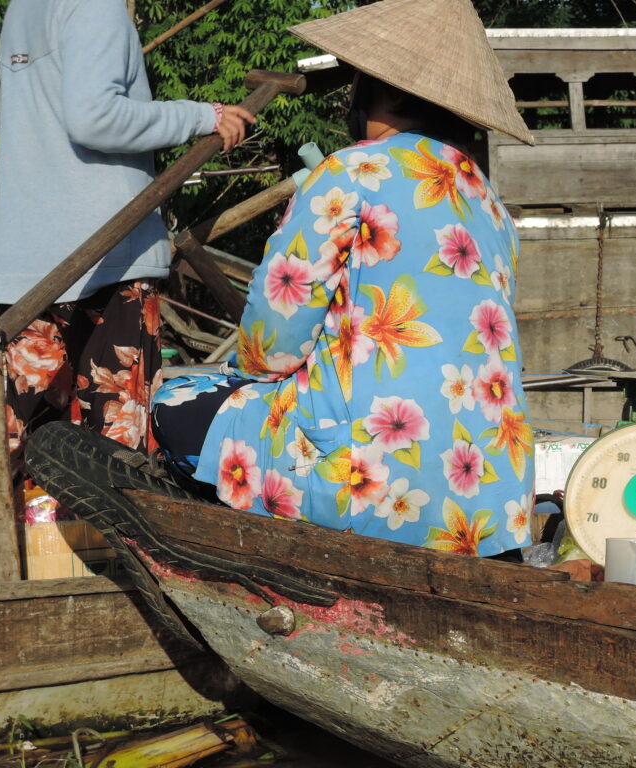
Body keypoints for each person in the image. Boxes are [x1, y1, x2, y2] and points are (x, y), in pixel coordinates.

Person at [151, 0, 538, 557]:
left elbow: (272, 347)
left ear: (389, 92)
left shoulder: (350, 172)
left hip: (367, 479)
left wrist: (246, 377)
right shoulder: (490, 202)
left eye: (358, 83)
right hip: (491, 498)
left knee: (175, 403)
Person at [0, 0, 254, 475]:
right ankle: (107, 551)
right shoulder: (96, 5)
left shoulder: (24, 9)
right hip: (107, 258)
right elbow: (96, 118)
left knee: (20, 448)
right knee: (114, 455)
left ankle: (32, 549)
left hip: (31, 261)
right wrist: (202, 117)